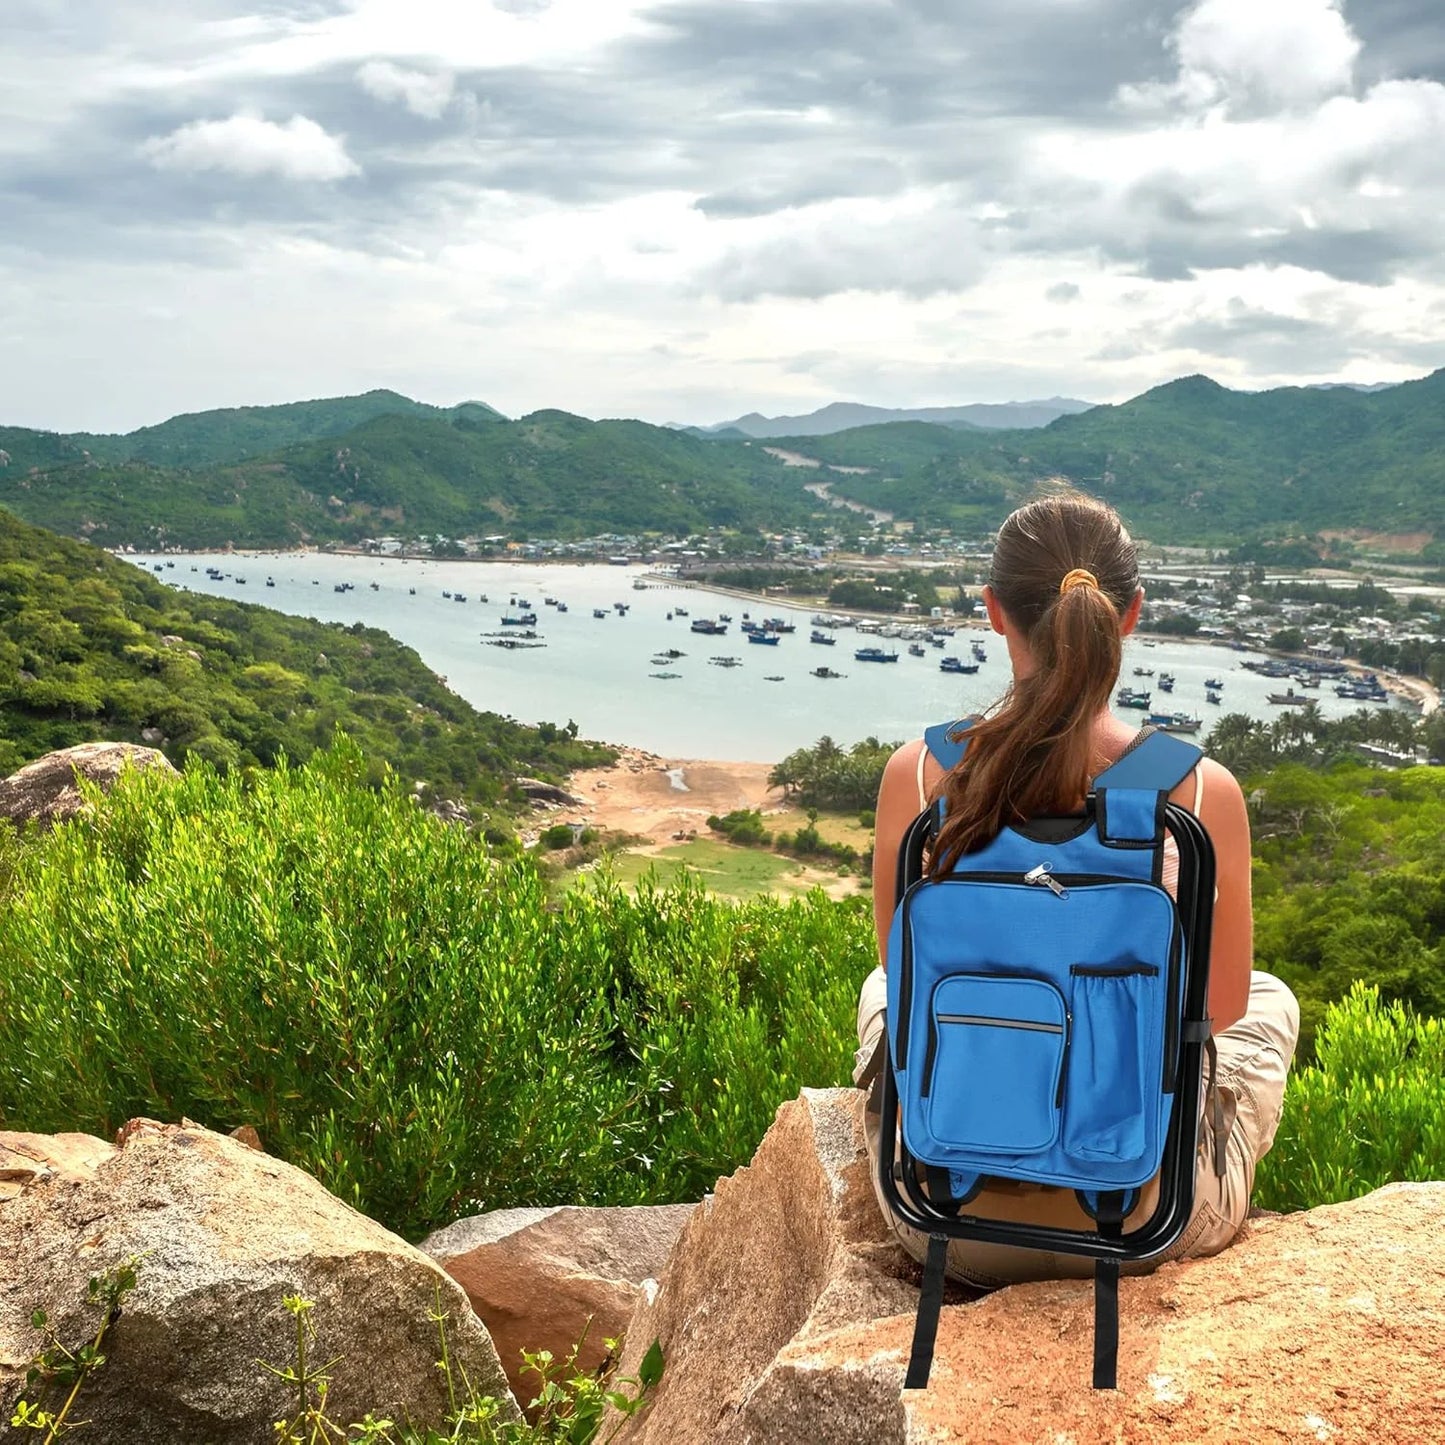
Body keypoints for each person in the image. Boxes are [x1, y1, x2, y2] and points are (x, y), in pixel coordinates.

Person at [855, 486, 1300, 1286]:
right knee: (1265, 996)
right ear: (1128, 615)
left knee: (879, 985)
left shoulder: (921, 774)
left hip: (942, 1219)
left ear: (994, 611)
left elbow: (901, 967)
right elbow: (1219, 1008)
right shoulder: (1199, 793)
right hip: (1140, 1219)